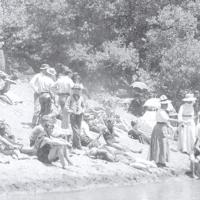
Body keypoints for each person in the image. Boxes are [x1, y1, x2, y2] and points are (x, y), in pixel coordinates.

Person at [149, 96, 171, 167]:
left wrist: (170, 126)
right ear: (163, 104)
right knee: (160, 143)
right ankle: (159, 160)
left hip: (162, 126)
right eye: (166, 104)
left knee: (163, 144)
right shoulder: (161, 111)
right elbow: (166, 119)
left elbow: (166, 121)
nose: (167, 105)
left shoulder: (163, 111)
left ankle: (162, 160)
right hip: (160, 127)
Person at [66, 84, 85, 150]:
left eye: (78, 89)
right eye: (75, 89)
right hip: (73, 115)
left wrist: (82, 110)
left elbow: (83, 106)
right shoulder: (70, 97)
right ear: (73, 90)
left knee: (78, 130)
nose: (76, 91)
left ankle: (74, 144)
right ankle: (79, 145)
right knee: (75, 130)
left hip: (80, 115)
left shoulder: (81, 97)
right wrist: (70, 111)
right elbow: (66, 106)